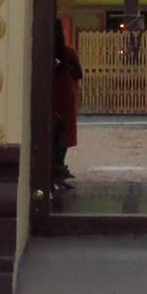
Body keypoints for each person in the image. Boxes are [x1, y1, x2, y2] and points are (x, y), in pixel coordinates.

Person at [52, 20, 83, 187]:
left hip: (49, 94)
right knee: (65, 133)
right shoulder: (69, 52)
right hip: (66, 94)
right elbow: (78, 73)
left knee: (51, 132)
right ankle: (59, 168)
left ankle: (52, 170)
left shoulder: (44, 52)